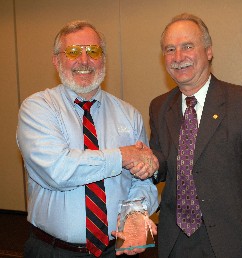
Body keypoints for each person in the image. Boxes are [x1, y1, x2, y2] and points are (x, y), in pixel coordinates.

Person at [16, 20, 158, 258]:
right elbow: (58, 170)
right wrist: (122, 155)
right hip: (54, 251)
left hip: (117, 251)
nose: (84, 60)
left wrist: (136, 212)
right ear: (56, 60)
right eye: (73, 52)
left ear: (103, 59)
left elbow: (144, 180)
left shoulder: (129, 114)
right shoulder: (37, 108)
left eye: (93, 51)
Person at [149, 13, 242, 258]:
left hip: (231, 241)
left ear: (209, 51)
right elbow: (164, 165)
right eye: (170, 49)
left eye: (187, 46)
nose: (178, 57)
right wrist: (148, 163)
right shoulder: (159, 106)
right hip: (175, 241)